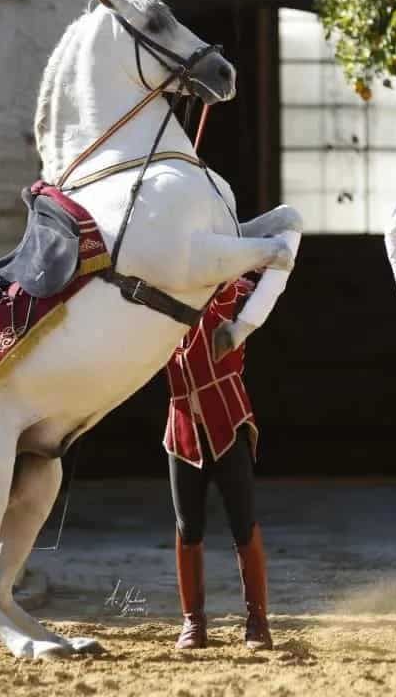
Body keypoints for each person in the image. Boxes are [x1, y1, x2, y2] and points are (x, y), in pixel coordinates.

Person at [165, 275, 272, 651]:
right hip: (181, 430)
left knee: (243, 522)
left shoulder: (236, 292)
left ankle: (257, 621)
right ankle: (193, 622)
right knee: (187, 525)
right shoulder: (164, 295)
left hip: (227, 421)